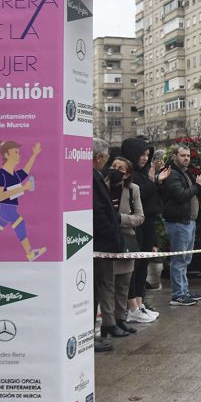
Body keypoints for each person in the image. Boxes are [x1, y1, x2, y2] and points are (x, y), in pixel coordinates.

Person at [158, 145, 201, 306]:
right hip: (179, 223)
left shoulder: (184, 173)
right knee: (179, 260)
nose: (186, 158)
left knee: (185, 259)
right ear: (174, 156)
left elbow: (194, 194)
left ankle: (184, 290)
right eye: (182, 155)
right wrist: (199, 184)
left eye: (188, 155)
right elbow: (181, 196)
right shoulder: (173, 174)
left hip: (189, 222)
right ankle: (178, 294)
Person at [121, 137, 161, 324]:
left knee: (142, 266)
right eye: (142, 155)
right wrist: (155, 181)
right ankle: (132, 307)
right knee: (134, 267)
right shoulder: (130, 176)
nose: (145, 159)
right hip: (135, 226)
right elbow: (140, 196)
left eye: (147, 155)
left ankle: (139, 302)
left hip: (147, 224)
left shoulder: (144, 175)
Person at [103, 157, 144, 339]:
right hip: (106, 241)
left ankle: (121, 319)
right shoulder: (100, 186)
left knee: (123, 284)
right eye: (113, 166)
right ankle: (108, 323)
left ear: (127, 173)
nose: (115, 170)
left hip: (126, 240)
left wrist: (121, 219)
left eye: (120, 168)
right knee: (108, 285)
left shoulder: (133, 190)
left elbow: (139, 217)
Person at [91, 138, 122, 353]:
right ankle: (90, 334)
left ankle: (94, 332)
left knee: (101, 286)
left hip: (102, 241)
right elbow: (98, 210)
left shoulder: (96, 176)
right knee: (95, 288)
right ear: (99, 158)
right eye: (107, 159)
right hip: (99, 242)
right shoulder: (92, 177)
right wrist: (112, 232)